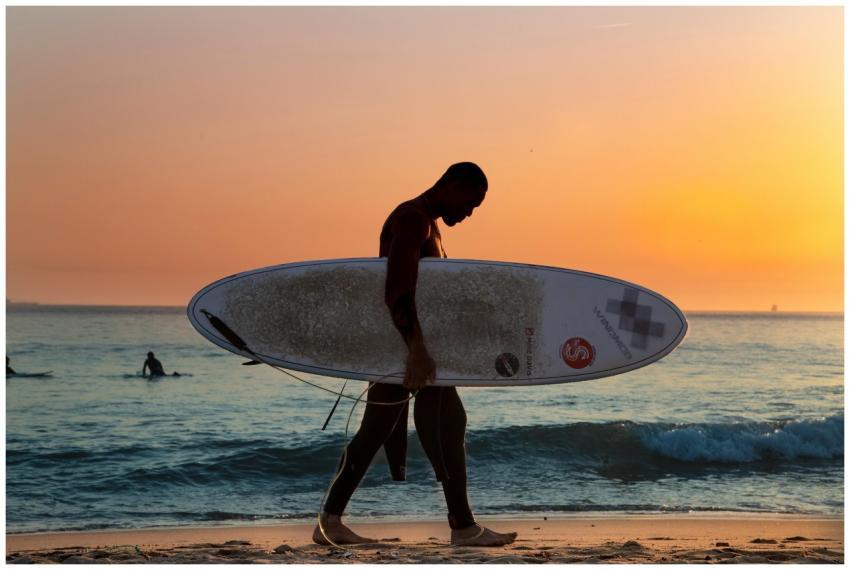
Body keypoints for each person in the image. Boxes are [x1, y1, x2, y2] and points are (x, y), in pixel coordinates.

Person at [313, 162, 517, 547]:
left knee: (434, 424)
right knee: (407, 428)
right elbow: (398, 289)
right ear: (453, 186)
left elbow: (432, 295)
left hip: (409, 346)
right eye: (471, 202)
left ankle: (459, 525)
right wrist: (417, 349)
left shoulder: (429, 224)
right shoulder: (412, 219)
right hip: (406, 346)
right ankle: (459, 526)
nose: (470, 212)